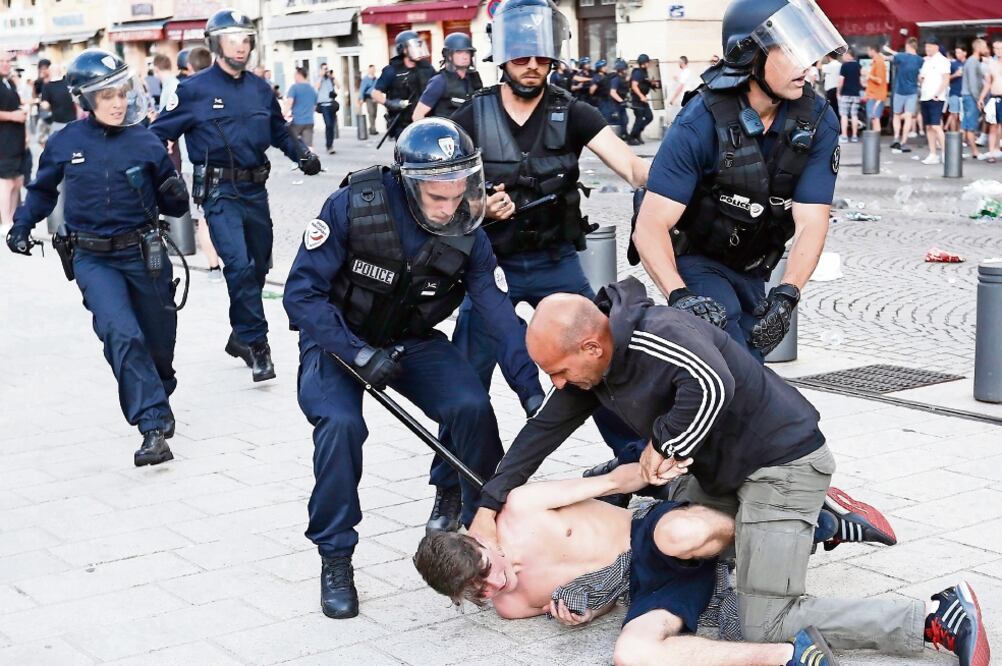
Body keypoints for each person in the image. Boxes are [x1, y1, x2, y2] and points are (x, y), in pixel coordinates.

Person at [467, 281, 991, 666]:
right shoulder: (595, 370)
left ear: (590, 347)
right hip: (724, 475)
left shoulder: (656, 335)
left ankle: (931, 617)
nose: (558, 383)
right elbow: (541, 432)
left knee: (766, 621)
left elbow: (714, 382)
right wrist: (489, 504)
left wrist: (662, 443)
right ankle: (821, 523)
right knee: (671, 528)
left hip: (780, 465)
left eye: (558, 371)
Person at [282, 118, 545, 620]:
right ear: (408, 184)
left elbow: (497, 314)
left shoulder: (468, 230)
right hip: (337, 342)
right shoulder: (354, 206)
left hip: (410, 339)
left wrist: (531, 390)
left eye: (458, 194)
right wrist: (357, 354)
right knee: (340, 426)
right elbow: (301, 295)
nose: (449, 208)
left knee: (470, 406)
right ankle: (335, 557)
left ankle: (480, 526)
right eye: (437, 197)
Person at [445, 0, 650, 528]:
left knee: (600, 360)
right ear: (501, 59)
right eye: (521, 58)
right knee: (466, 381)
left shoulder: (573, 111)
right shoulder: (471, 116)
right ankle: (451, 486)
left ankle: (637, 466)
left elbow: (630, 165)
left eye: (540, 58)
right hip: (490, 267)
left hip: (557, 261)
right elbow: (439, 195)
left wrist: (683, 172)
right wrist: (478, 206)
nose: (532, 66)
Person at [418, 462, 879, 666]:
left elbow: (615, 481)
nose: (493, 585)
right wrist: (586, 613)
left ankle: (805, 524)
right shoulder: (510, 605)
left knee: (682, 534)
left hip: (649, 534)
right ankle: (792, 657)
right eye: (477, 592)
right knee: (631, 654)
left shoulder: (523, 506)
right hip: (643, 587)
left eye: (485, 570)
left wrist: (657, 466)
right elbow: (602, 596)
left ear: (477, 540)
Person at [5, 49, 190, 467]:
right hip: (93, 259)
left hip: (144, 254)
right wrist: (21, 225)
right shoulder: (65, 141)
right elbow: (42, 190)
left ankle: (159, 386)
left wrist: (175, 194)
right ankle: (152, 425)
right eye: (107, 95)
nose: (118, 103)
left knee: (158, 344)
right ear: (85, 100)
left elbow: (174, 203)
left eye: (122, 93)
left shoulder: (146, 140)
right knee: (121, 334)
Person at [631, 0, 841, 362]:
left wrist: (788, 294)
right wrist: (681, 296)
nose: (808, 65)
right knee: (733, 365)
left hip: (754, 266)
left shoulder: (818, 120)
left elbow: (812, 219)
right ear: (749, 54)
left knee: (749, 362)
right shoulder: (699, 121)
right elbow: (650, 226)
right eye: (792, 51)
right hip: (697, 258)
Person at [151, 8, 322, 383]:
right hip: (218, 191)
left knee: (258, 266)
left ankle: (241, 335)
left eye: (246, 39)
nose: (241, 46)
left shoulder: (260, 88)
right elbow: (156, 135)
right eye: (232, 39)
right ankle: (258, 344)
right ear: (216, 44)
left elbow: (278, 131)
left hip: (254, 189)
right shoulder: (193, 90)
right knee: (239, 265)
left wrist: (302, 154)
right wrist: (161, 176)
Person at [371, 31, 435, 140]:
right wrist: (390, 103)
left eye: (418, 46)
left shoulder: (427, 68)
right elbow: (375, 94)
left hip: (425, 122)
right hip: (403, 126)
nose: (418, 49)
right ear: (404, 50)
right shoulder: (392, 70)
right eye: (414, 46)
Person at [412, 32, 482, 122]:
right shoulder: (439, 81)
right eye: (459, 52)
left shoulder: (474, 79)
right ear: (449, 55)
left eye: (467, 52)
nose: (465, 56)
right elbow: (418, 115)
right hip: (446, 129)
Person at [0, 53, 27, 230]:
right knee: (6, 181)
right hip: (4, 140)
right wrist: (12, 116)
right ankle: (5, 222)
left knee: (17, 181)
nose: (5, 64)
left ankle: (12, 219)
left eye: (7, 61)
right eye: (1, 61)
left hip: (16, 139)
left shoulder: (8, 82)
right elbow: (10, 112)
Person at [917, 37, 951, 165]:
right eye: (926, 46)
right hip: (925, 96)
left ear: (936, 47)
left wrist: (937, 93)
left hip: (936, 97)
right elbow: (921, 77)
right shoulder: (926, 61)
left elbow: (946, 79)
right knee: (929, 126)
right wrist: (920, 79)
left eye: (929, 46)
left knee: (936, 125)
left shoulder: (943, 61)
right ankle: (932, 154)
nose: (927, 49)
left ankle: (946, 153)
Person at [890, 37, 923, 153]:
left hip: (899, 91)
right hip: (912, 92)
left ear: (907, 46)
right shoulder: (920, 60)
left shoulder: (901, 56)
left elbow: (892, 58)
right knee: (908, 116)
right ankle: (904, 141)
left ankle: (896, 138)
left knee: (896, 115)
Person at [963, 39, 988, 160]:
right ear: (978, 48)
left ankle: (961, 150)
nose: (986, 49)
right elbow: (973, 84)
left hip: (968, 96)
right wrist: (979, 99)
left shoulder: (972, 61)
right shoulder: (973, 62)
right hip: (971, 96)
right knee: (971, 126)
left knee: (967, 125)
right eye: (984, 46)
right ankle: (975, 152)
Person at [979, 39, 1002, 163]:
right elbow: (988, 83)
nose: (998, 51)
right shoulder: (991, 64)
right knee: (993, 126)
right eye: (995, 48)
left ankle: (997, 148)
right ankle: (992, 152)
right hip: (994, 97)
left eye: (1000, 48)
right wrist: (981, 97)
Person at [39, 65, 77, 140]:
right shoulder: (68, 83)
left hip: (58, 121)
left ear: (50, 72)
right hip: (72, 120)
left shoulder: (47, 86)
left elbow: (45, 105)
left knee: (59, 142)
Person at [286, 67, 318, 149]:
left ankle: (296, 157)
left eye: (295, 75)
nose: (294, 77)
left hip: (297, 121)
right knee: (308, 146)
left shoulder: (294, 88)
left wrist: (283, 114)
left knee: (292, 144)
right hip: (309, 121)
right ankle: (310, 156)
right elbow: (314, 107)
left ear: (299, 75)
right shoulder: (312, 89)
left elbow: (289, 103)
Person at [628, 54, 655, 145]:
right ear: (644, 63)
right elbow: (634, 86)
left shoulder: (644, 72)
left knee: (649, 117)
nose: (649, 63)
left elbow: (644, 83)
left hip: (643, 100)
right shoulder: (637, 72)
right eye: (648, 62)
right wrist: (641, 96)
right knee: (639, 119)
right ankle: (631, 137)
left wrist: (652, 84)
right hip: (637, 99)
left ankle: (637, 133)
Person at [837, 49, 862, 142]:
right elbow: (862, 79)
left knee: (844, 115)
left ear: (848, 55)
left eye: (844, 55)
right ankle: (855, 136)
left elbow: (841, 81)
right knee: (854, 115)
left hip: (845, 94)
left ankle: (844, 136)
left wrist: (838, 92)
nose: (843, 57)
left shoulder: (844, 66)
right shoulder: (858, 65)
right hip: (856, 94)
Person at [315, 63, 338, 154]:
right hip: (324, 105)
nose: (326, 70)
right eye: (324, 69)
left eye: (327, 69)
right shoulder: (318, 78)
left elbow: (339, 86)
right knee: (328, 125)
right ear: (321, 70)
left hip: (332, 104)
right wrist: (321, 76)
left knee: (331, 126)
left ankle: (330, 145)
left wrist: (332, 77)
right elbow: (316, 87)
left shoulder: (330, 79)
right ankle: (328, 146)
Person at [865, 44, 888, 131]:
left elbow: (879, 80)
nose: (867, 52)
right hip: (873, 95)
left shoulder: (879, 62)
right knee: (874, 119)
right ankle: (875, 138)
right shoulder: (876, 62)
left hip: (876, 96)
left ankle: (876, 138)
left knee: (875, 119)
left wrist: (868, 75)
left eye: (868, 50)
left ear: (873, 50)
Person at [608, 59, 631, 139]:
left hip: (620, 104)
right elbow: (612, 92)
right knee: (617, 121)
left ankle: (624, 135)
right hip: (614, 104)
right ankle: (618, 137)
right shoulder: (616, 79)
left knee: (625, 120)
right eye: (625, 69)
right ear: (621, 70)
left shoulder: (622, 79)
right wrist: (621, 101)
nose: (627, 70)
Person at [945, 45, 966, 133]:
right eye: (956, 53)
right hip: (954, 92)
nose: (957, 54)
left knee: (963, 116)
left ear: (965, 53)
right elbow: (946, 78)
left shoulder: (968, 64)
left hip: (965, 93)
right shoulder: (952, 64)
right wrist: (955, 75)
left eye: (959, 52)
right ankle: (954, 135)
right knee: (954, 114)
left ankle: (961, 135)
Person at [820, 54, 842, 122]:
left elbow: (818, 66)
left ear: (828, 57)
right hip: (838, 89)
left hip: (831, 89)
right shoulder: (840, 65)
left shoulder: (830, 65)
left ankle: (833, 123)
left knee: (831, 109)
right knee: (837, 108)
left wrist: (821, 57)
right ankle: (838, 124)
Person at [359, 64, 379, 136]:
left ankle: (371, 128)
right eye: (372, 69)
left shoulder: (376, 79)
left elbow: (378, 88)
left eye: (374, 69)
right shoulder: (365, 79)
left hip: (375, 98)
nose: (373, 70)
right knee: (371, 113)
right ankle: (373, 129)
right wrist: (361, 99)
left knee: (375, 114)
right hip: (368, 98)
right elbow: (362, 89)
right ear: (369, 70)